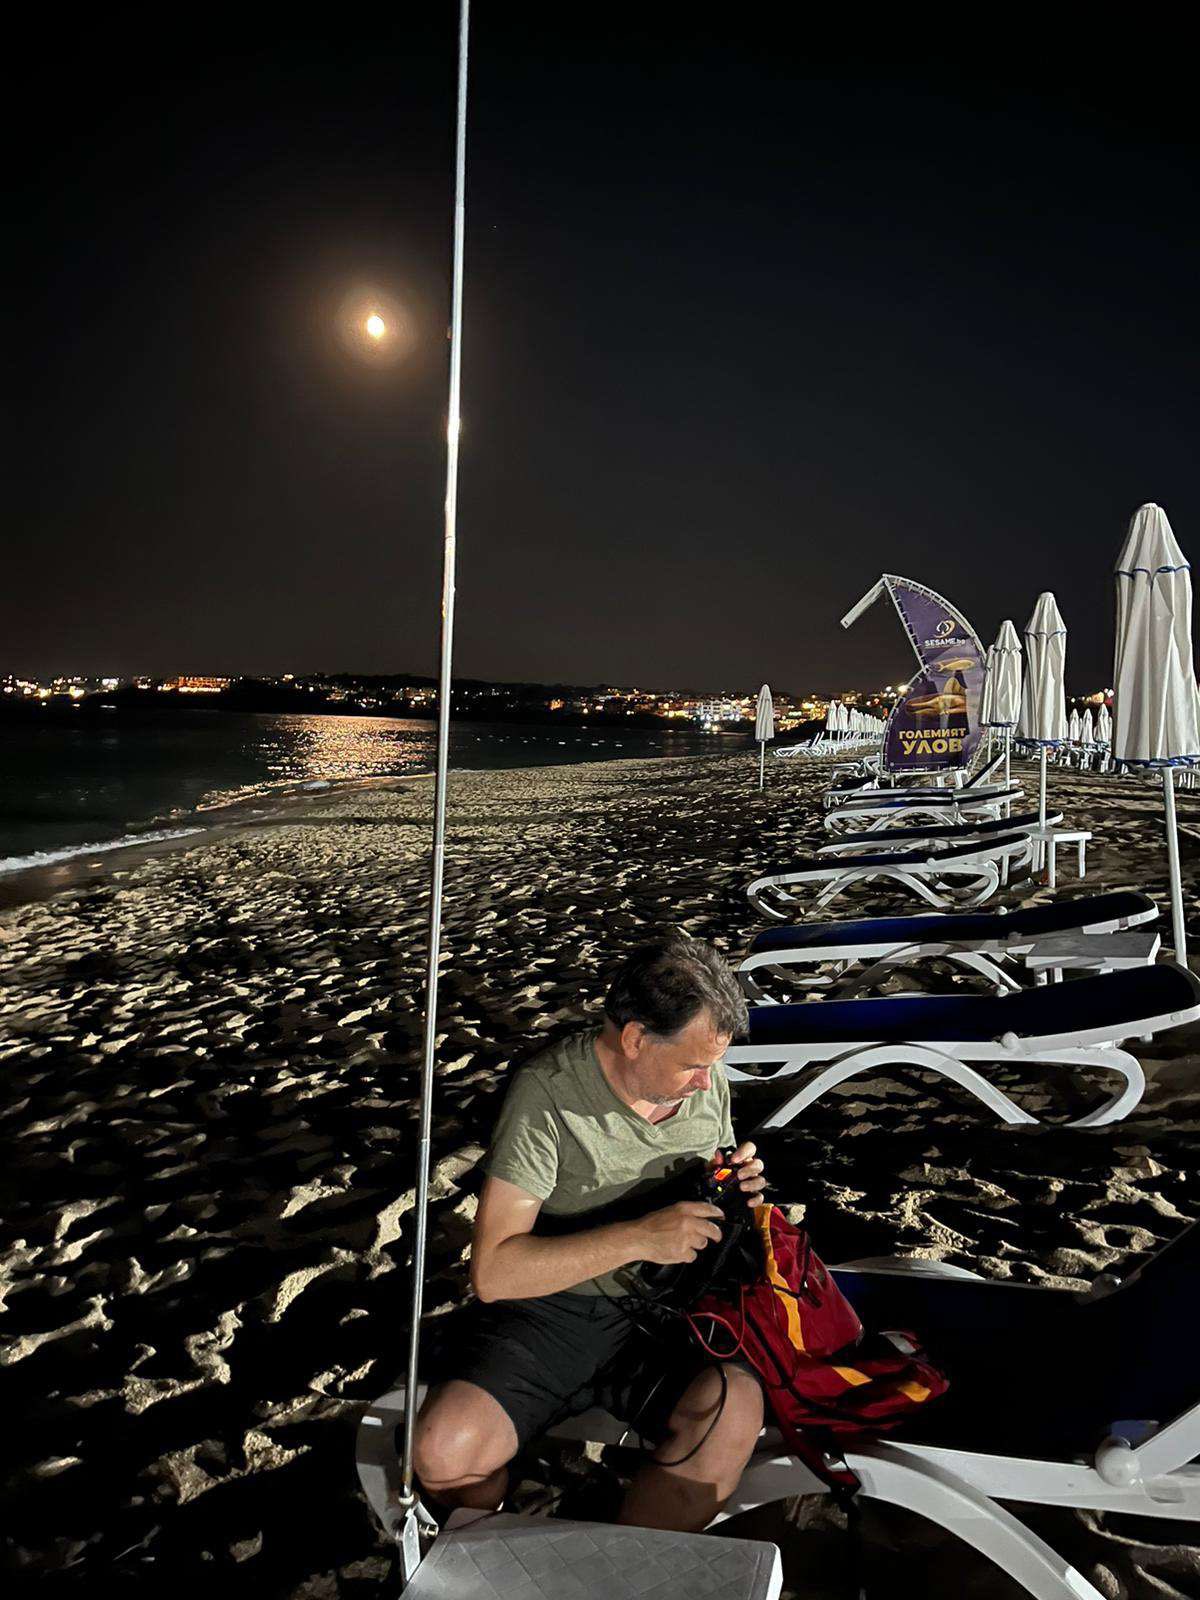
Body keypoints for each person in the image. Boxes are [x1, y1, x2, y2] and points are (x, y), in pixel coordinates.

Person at [413, 933, 768, 1533]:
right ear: (634, 1038)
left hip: (670, 1307)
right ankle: (493, 1532)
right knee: (443, 1452)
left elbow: (717, 1173)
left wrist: (737, 1186)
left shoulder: (706, 1085)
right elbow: (494, 1273)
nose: (706, 1085)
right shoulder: (548, 1093)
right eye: (692, 1066)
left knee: (731, 1414)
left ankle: (630, 1562)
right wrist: (639, 1237)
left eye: (713, 1066)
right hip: (554, 1312)